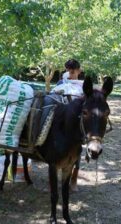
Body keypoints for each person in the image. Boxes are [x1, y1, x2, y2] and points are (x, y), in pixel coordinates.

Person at [55, 59, 82, 192]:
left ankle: (74, 180)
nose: (69, 74)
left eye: (72, 71)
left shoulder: (82, 86)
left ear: (78, 71)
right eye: (67, 71)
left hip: (76, 124)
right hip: (61, 122)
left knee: (77, 151)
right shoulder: (61, 83)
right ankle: (54, 179)